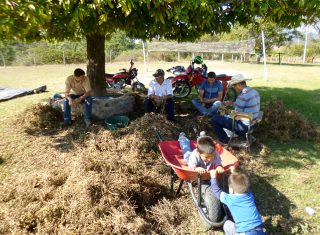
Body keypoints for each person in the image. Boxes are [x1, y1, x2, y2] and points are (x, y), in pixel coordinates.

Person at [210, 170, 265, 235]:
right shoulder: (250, 196)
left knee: (227, 224)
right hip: (260, 230)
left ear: (231, 189)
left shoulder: (230, 199)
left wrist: (213, 177)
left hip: (245, 233)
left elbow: (216, 191)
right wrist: (234, 172)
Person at [211, 74, 260, 145]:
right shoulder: (254, 92)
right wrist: (232, 103)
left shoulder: (242, 96)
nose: (234, 88)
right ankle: (242, 136)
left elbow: (235, 115)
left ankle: (224, 140)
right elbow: (246, 104)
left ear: (239, 85)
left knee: (215, 119)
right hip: (253, 122)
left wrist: (225, 114)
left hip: (244, 126)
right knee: (225, 117)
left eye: (234, 85)